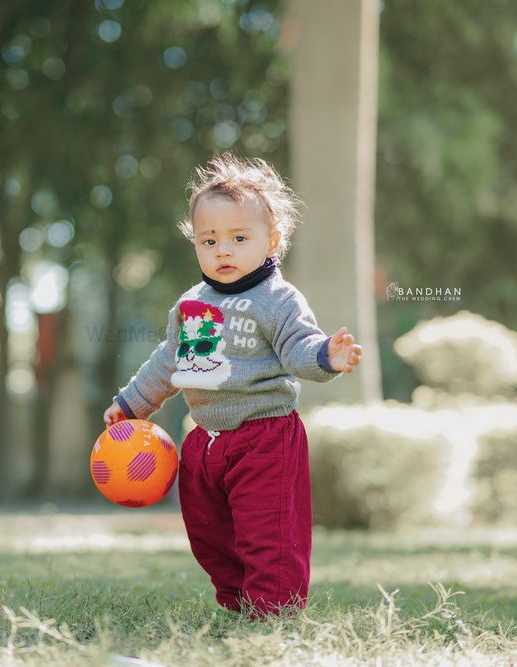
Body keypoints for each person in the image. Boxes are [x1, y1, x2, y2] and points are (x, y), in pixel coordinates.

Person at [102, 152, 363, 619]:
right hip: (204, 443)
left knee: (268, 534)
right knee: (210, 534)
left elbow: (298, 346)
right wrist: (131, 404)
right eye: (209, 240)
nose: (223, 250)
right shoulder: (195, 304)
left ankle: (273, 613)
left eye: (239, 238)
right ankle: (239, 603)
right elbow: (170, 362)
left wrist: (327, 355)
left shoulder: (276, 299)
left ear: (272, 241)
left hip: (264, 438)